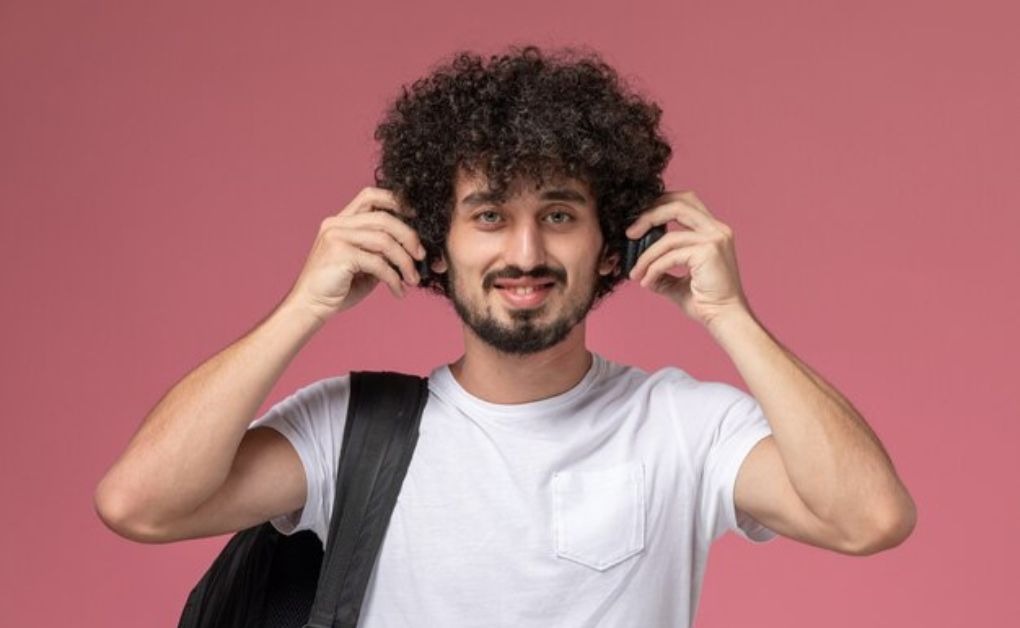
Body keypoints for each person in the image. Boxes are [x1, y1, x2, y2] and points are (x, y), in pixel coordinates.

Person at [95, 45, 916, 627]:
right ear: (435, 244)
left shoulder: (683, 427)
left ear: (612, 243)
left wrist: (729, 318)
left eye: (558, 215)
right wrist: (300, 309)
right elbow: (140, 505)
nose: (525, 254)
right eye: (489, 216)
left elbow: (868, 519)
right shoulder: (353, 431)